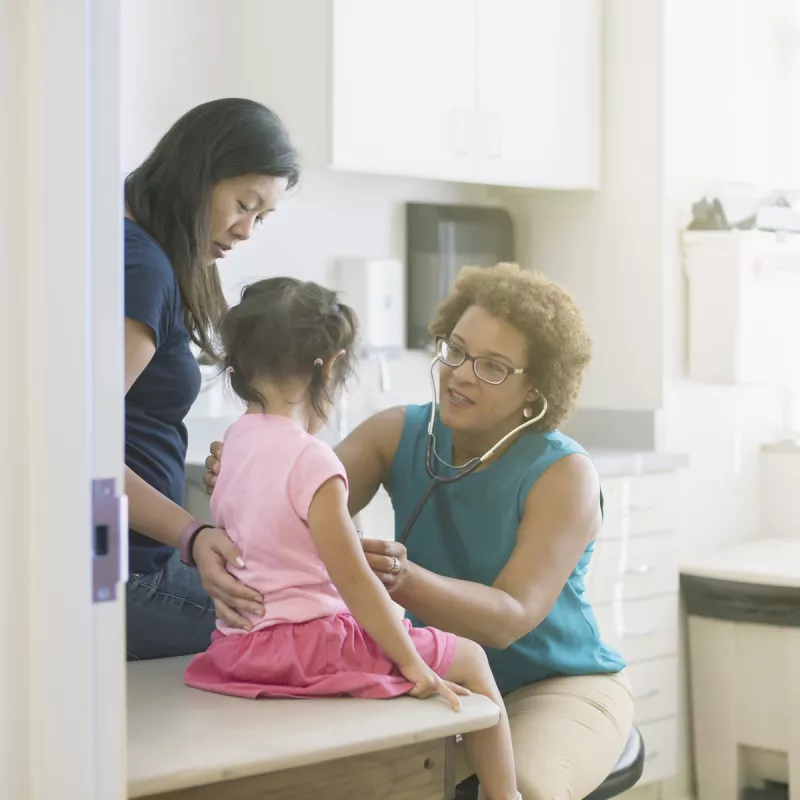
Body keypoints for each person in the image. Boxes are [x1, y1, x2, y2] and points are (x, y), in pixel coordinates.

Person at [202, 263, 635, 800]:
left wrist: (399, 578)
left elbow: (509, 620)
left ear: (537, 389)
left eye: (494, 367)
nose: (462, 374)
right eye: (455, 351)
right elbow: (298, 500)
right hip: (432, 671)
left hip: (552, 683)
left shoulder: (563, 474)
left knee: (524, 788)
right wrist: (249, 472)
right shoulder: (398, 432)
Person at [184, 277, 521, 800]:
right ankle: (507, 797)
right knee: (472, 659)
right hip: (305, 647)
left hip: (239, 647)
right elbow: (357, 583)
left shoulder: (234, 444)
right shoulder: (311, 459)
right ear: (330, 365)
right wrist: (412, 664)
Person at [124, 97, 300, 661]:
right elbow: (79, 447)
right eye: (244, 205)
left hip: (124, 563)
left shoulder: (131, 248)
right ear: (199, 173)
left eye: (261, 218)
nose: (246, 231)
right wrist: (193, 535)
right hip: (124, 577)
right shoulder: (141, 267)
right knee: (326, 619)